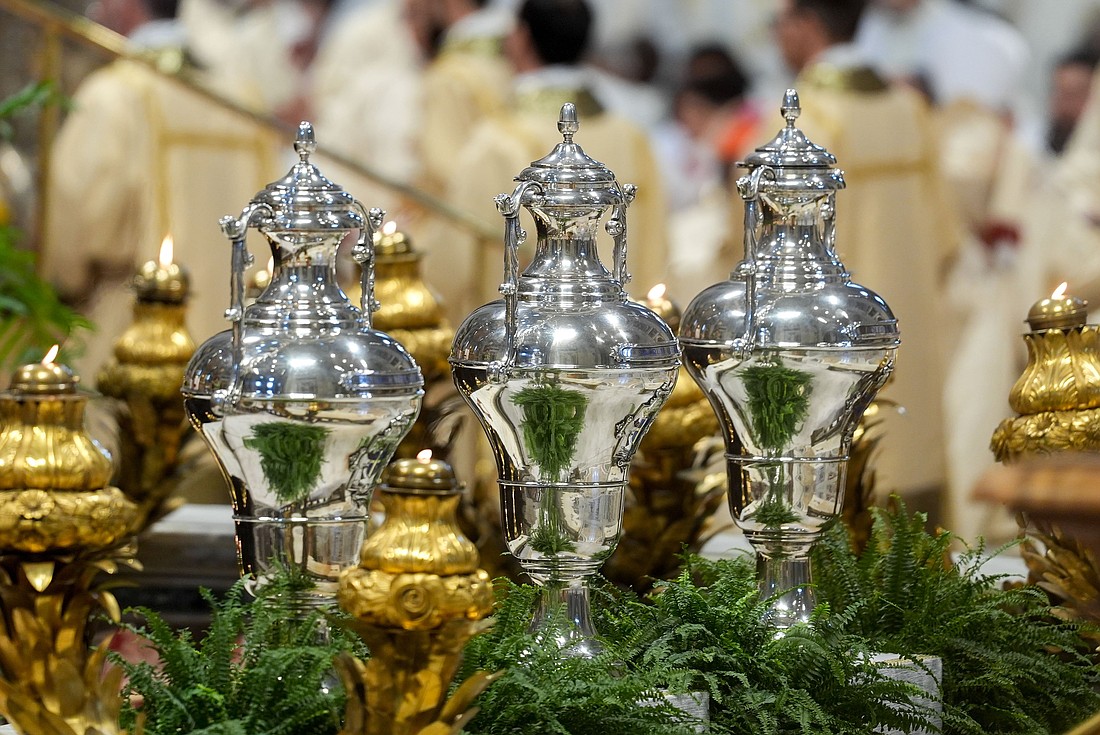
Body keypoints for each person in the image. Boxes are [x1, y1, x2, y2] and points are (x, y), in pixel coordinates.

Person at [772, 0, 960, 515]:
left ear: (807, 23)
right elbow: (946, 236)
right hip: (910, 315)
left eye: (780, 20)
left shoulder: (804, 113)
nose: (774, 34)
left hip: (835, 323)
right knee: (913, 432)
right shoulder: (909, 107)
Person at [40, 0, 281, 379]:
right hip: (239, 352)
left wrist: (59, 286)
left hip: (135, 348)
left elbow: (75, 225)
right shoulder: (245, 101)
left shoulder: (115, 94)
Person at [435, 0, 668, 323]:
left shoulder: (497, 144)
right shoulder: (632, 138)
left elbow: (453, 265)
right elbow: (656, 247)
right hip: (619, 340)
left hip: (527, 345)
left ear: (520, 39)